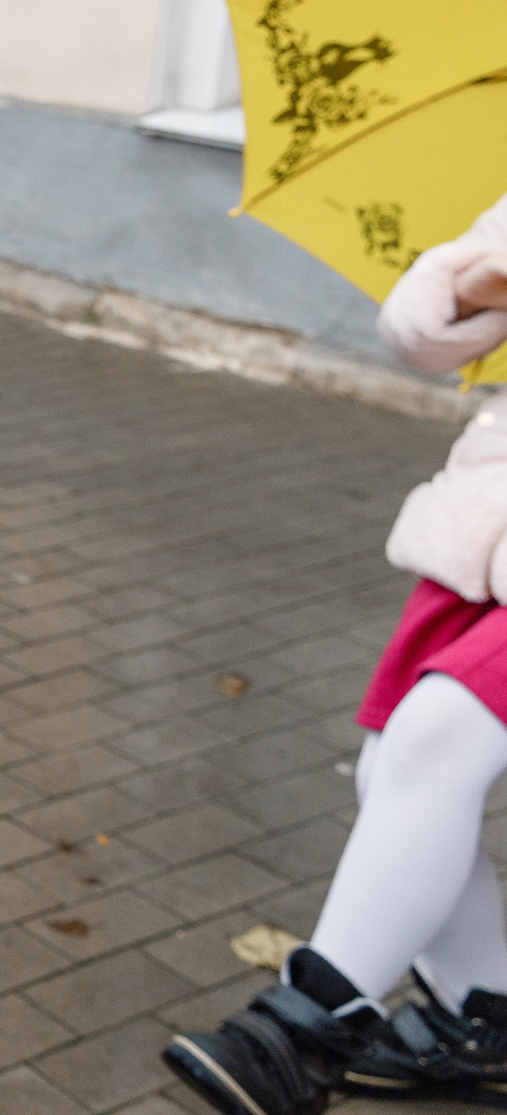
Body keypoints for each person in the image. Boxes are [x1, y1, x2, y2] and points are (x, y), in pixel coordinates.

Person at [165, 195, 507, 1114]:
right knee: (391, 763)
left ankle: (306, 1027)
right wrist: (483, 275)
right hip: (486, 532)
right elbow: (418, 331)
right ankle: (490, 1014)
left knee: (437, 738)